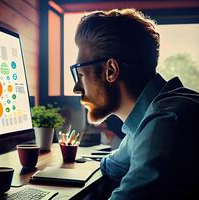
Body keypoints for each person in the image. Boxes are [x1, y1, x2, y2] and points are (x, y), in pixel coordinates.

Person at [71, 8, 199, 200]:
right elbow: (113, 164)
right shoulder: (145, 121)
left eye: (81, 74)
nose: (76, 88)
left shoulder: (164, 123)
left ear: (111, 71)